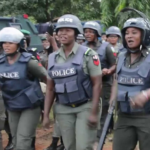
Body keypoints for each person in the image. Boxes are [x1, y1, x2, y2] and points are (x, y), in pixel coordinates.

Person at [43, 14, 102, 150]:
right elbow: (50, 89)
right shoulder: (52, 58)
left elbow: (97, 84)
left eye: (68, 30)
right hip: (63, 108)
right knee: (69, 146)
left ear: (76, 33)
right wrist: (46, 114)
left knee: (83, 146)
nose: (63, 33)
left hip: (85, 106)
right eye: (60, 30)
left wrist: (94, 112)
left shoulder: (89, 54)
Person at [0, 27, 47, 150]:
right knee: (15, 140)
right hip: (12, 105)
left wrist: (46, 104)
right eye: (4, 42)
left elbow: (47, 78)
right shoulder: (1, 62)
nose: (6, 46)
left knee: (23, 141)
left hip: (30, 105)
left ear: (19, 44)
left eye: (10, 43)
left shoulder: (28, 61)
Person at [110, 17, 150, 150]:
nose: (129, 36)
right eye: (127, 33)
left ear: (144, 35)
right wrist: (112, 100)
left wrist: (146, 94)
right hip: (124, 116)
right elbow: (117, 79)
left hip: (147, 116)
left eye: (134, 32)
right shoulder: (121, 56)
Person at [83, 21, 116, 138]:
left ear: (97, 33)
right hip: (87, 85)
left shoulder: (105, 47)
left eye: (91, 32)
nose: (87, 34)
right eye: (86, 32)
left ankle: (99, 138)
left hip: (104, 84)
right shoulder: (82, 48)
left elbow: (114, 64)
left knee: (102, 111)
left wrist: (108, 70)